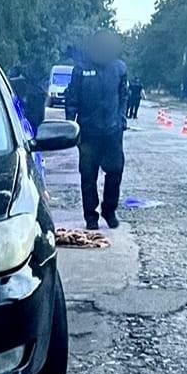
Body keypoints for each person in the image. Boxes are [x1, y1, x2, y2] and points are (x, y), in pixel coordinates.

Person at [65, 29, 128, 230]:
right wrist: (70, 127)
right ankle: (90, 216)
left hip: (112, 132)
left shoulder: (119, 68)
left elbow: (123, 95)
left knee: (115, 171)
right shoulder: (80, 70)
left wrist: (121, 119)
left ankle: (109, 210)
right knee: (88, 175)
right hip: (88, 133)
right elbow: (71, 101)